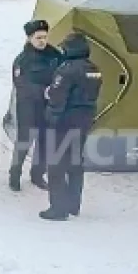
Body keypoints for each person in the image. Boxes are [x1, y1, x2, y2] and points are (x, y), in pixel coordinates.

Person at [41, 33, 102, 221]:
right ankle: (74, 204)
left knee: (56, 165)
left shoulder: (66, 70)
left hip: (64, 121)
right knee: (75, 162)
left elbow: (57, 97)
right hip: (84, 119)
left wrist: (50, 107)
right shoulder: (94, 69)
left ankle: (58, 208)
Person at [8, 19, 61, 191]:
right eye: (38, 37)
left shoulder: (55, 55)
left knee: (45, 142)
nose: (42, 41)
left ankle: (37, 174)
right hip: (28, 106)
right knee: (24, 141)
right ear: (30, 38)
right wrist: (43, 91)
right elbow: (20, 84)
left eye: (45, 37)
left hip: (49, 106)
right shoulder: (22, 60)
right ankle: (14, 174)